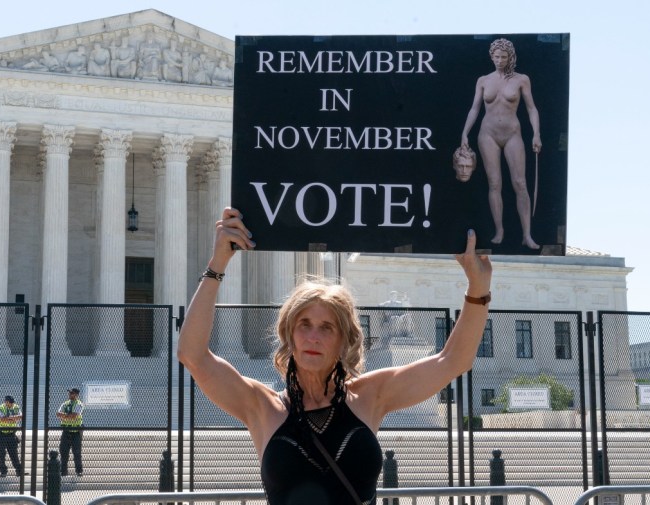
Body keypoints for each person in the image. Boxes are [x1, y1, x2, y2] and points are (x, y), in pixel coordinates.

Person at [178, 207, 492, 505]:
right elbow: (193, 355)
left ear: (344, 340)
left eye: (327, 327)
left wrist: (478, 287)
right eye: (304, 325)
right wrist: (217, 265)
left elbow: (453, 361)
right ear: (289, 333)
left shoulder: (369, 396)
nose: (313, 337)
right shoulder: (262, 406)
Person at [460, 38, 541, 249]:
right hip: (488, 134)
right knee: (494, 183)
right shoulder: (483, 80)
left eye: (503, 57)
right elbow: (474, 108)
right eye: (496, 56)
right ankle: (499, 230)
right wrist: (465, 133)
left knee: (520, 183)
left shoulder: (522, 79)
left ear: (510, 57)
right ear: (491, 56)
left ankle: (526, 234)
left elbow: (531, 108)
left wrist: (536, 134)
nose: (499, 60)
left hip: (513, 133)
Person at [56, 387, 84, 476]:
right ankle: (63, 472)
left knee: (77, 452)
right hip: (66, 431)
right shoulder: (65, 404)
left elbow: (74, 416)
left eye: (72, 393)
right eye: (69, 393)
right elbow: (58, 414)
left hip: (76, 432)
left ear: (76, 395)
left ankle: (79, 471)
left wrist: (65, 416)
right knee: (64, 452)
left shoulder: (79, 404)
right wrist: (68, 415)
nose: (70, 394)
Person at [0, 395, 24, 477]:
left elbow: (20, 417)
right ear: (6, 402)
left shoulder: (16, 407)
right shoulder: (0, 408)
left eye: (12, 402)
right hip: (1, 434)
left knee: (14, 453)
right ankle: (3, 471)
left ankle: (19, 471)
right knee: (1, 453)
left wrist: (8, 418)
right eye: (10, 403)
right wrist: (14, 418)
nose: (12, 404)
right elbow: (1, 419)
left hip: (11, 434)